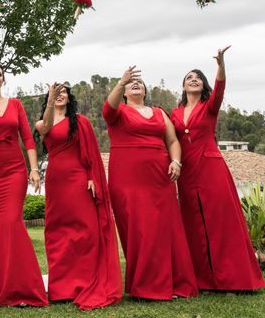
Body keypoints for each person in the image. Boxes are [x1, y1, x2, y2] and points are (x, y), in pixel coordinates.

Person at [171, 46, 265, 291]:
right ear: (183, 86)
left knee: (221, 221)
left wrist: (220, 64)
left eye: (198, 78)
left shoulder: (210, 106)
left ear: (203, 85)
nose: (194, 80)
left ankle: (234, 278)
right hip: (187, 171)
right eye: (189, 78)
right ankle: (203, 279)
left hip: (211, 167)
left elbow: (220, 87)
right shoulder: (175, 113)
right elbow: (170, 141)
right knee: (193, 222)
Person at [103, 66, 198, 300]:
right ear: (123, 91)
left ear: (145, 90)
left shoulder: (159, 112)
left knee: (165, 229)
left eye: (140, 83)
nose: (136, 84)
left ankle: (174, 283)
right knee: (140, 230)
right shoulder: (118, 112)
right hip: (127, 179)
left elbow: (173, 140)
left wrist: (176, 161)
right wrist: (120, 81)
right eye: (130, 84)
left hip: (160, 177)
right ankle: (146, 286)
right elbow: (107, 109)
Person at [35, 83, 121, 309]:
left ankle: (84, 283)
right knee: (58, 231)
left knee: (85, 230)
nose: (60, 95)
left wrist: (92, 177)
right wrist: (51, 101)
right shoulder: (43, 122)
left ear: (70, 98)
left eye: (64, 93)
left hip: (78, 179)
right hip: (55, 181)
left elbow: (91, 151)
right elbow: (45, 128)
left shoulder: (80, 122)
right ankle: (61, 288)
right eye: (56, 93)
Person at [0, 61, 47, 307]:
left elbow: (28, 138)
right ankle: (5, 286)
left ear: (3, 79)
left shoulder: (15, 105)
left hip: (14, 170)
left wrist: (34, 169)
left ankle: (23, 288)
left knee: (12, 222)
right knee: (0, 226)